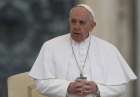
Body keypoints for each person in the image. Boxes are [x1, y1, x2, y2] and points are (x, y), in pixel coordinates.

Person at [29, 4, 137, 97]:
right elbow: (40, 83)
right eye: (73, 21)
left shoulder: (108, 49)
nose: (76, 26)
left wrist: (97, 89)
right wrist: (67, 87)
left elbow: (121, 87)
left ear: (92, 26)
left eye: (82, 22)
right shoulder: (50, 46)